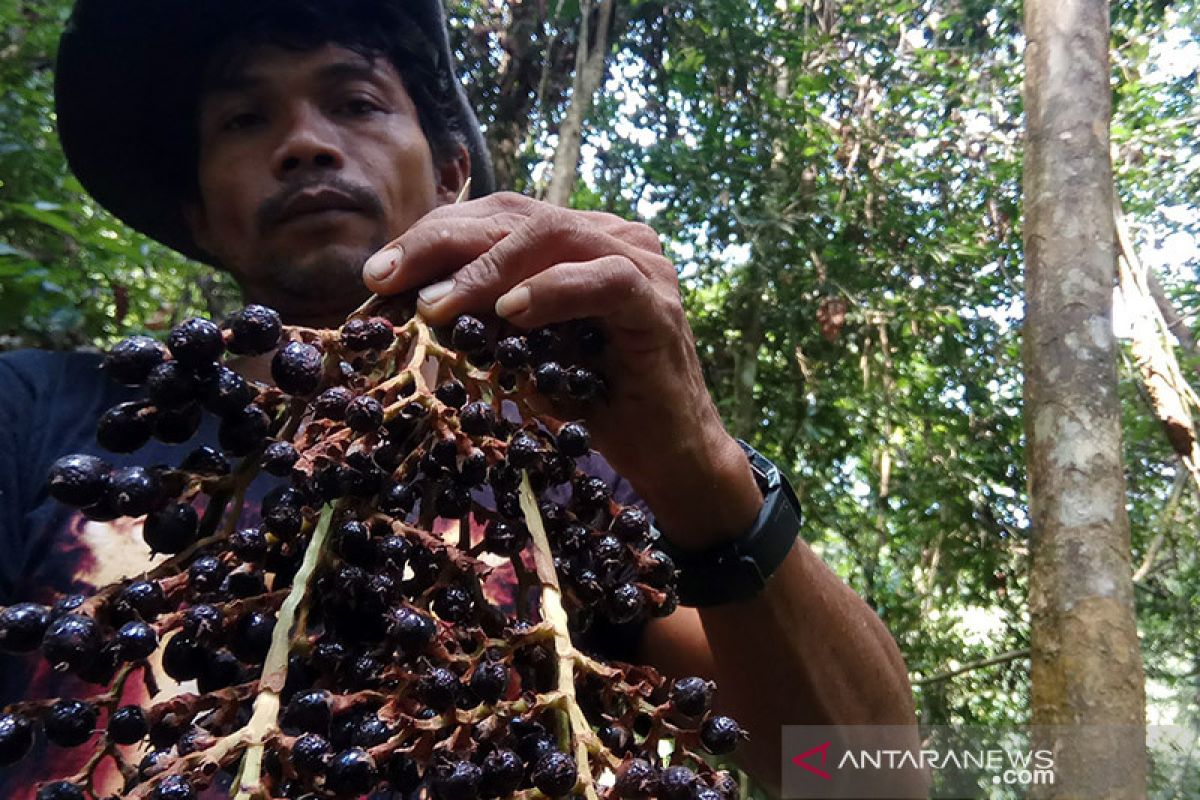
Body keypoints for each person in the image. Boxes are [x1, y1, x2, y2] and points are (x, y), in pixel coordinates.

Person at [0, 0, 923, 796]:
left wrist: (700, 461)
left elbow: (868, 778)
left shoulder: (563, 468)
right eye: (243, 120)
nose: (304, 143)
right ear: (199, 213)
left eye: (355, 102)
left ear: (451, 177)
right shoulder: (39, 411)